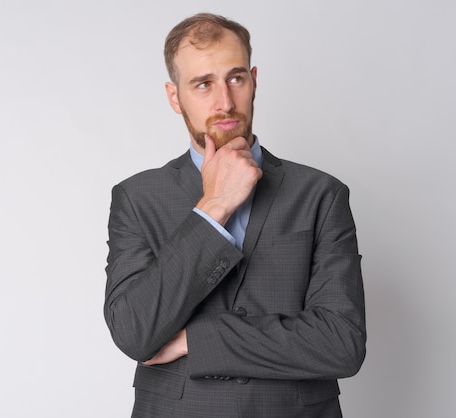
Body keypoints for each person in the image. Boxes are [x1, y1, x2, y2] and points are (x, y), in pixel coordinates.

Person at [104, 12, 366, 418]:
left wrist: (196, 338)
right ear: (175, 97)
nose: (225, 101)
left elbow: (341, 344)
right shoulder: (138, 198)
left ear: (254, 80)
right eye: (203, 84)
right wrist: (214, 207)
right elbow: (135, 332)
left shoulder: (321, 194)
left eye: (236, 78)